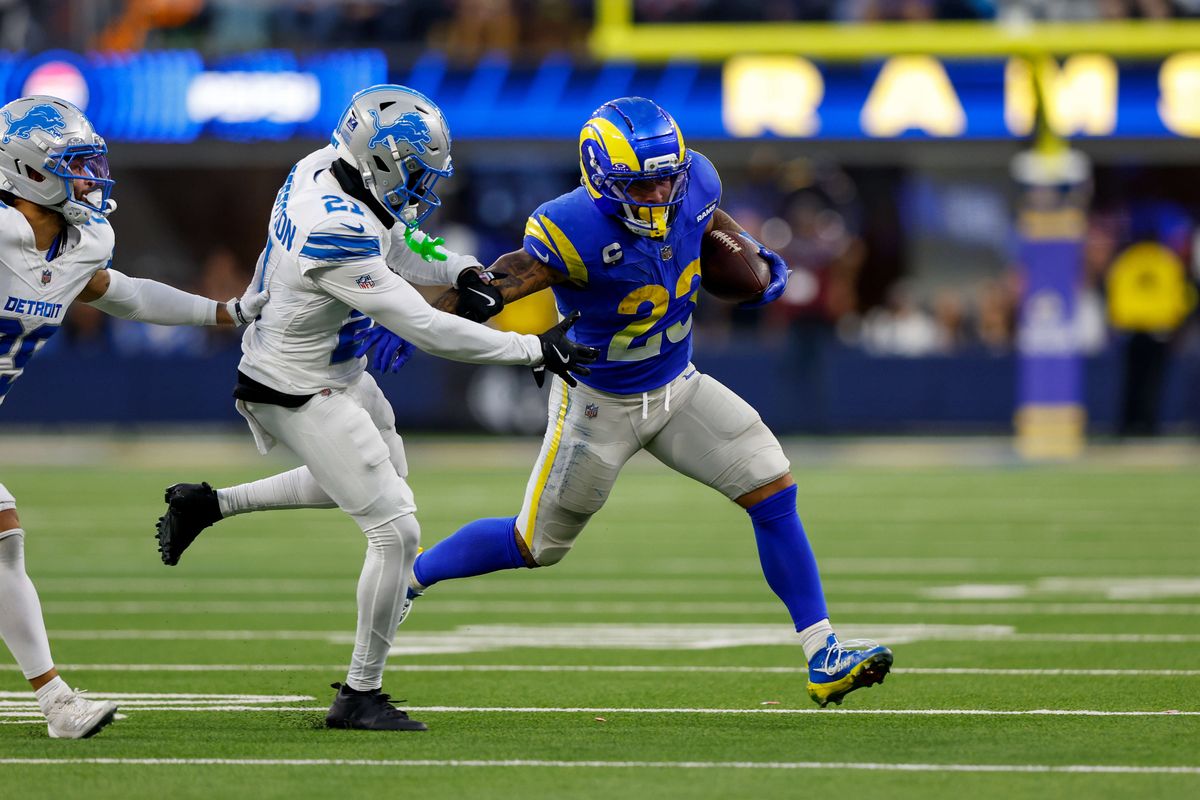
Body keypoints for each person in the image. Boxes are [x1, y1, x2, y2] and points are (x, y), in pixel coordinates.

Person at [159, 97, 890, 708]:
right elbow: (504, 279)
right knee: (533, 544)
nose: (658, 197)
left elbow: (710, 220)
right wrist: (437, 314)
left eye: (665, 183)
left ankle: (822, 656)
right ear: (602, 180)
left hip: (678, 384)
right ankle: (414, 577)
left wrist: (755, 262)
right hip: (598, 404)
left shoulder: (691, 181)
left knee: (772, 486)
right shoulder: (568, 223)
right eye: (641, 187)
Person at [153, 84, 596, 732]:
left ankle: (209, 504)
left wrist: (462, 268)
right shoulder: (335, 225)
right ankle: (360, 693)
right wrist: (530, 350)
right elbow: (424, 327)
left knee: (373, 483)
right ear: (381, 161)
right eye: (417, 174)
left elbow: (401, 239)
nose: (427, 190)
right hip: (297, 386)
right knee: (396, 529)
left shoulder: (324, 169)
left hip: (331, 367)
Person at [0, 95, 268, 738]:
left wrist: (217, 312)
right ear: (28, 171)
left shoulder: (82, 243)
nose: (90, 177)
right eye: (74, 164)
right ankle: (56, 701)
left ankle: (54, 701)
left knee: (5, 545)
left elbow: (119, 293)